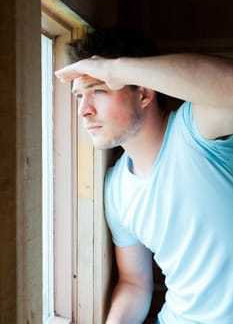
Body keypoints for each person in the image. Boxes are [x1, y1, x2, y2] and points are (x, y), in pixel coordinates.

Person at [55, 27, 233, 324]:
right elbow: (134, 284)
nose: (84, 110)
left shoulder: (197, 131)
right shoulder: (116, 187)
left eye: (98, 90)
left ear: (144, 93)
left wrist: (113, 69)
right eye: (78, 97)